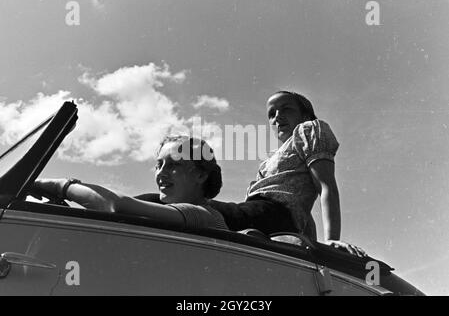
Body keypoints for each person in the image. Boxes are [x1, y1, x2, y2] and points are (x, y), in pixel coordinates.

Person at [210, 91, 365, 256]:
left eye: (286, 109)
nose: (277, 117)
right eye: (271, 114)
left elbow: (326, 186)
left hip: (273, 214)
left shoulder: (308, 130)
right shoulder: (268, 160)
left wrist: (331, 240)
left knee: (205, 207)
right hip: (258, 214)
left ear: (305, 116)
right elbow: (304, 213)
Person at [33, 136, 228, 231]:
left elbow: (113, 205)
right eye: (159, 165)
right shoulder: (177, 219)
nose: (161, 173)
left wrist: (58, 186)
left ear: (201, 175)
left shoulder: (203, 215)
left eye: (174, 165)